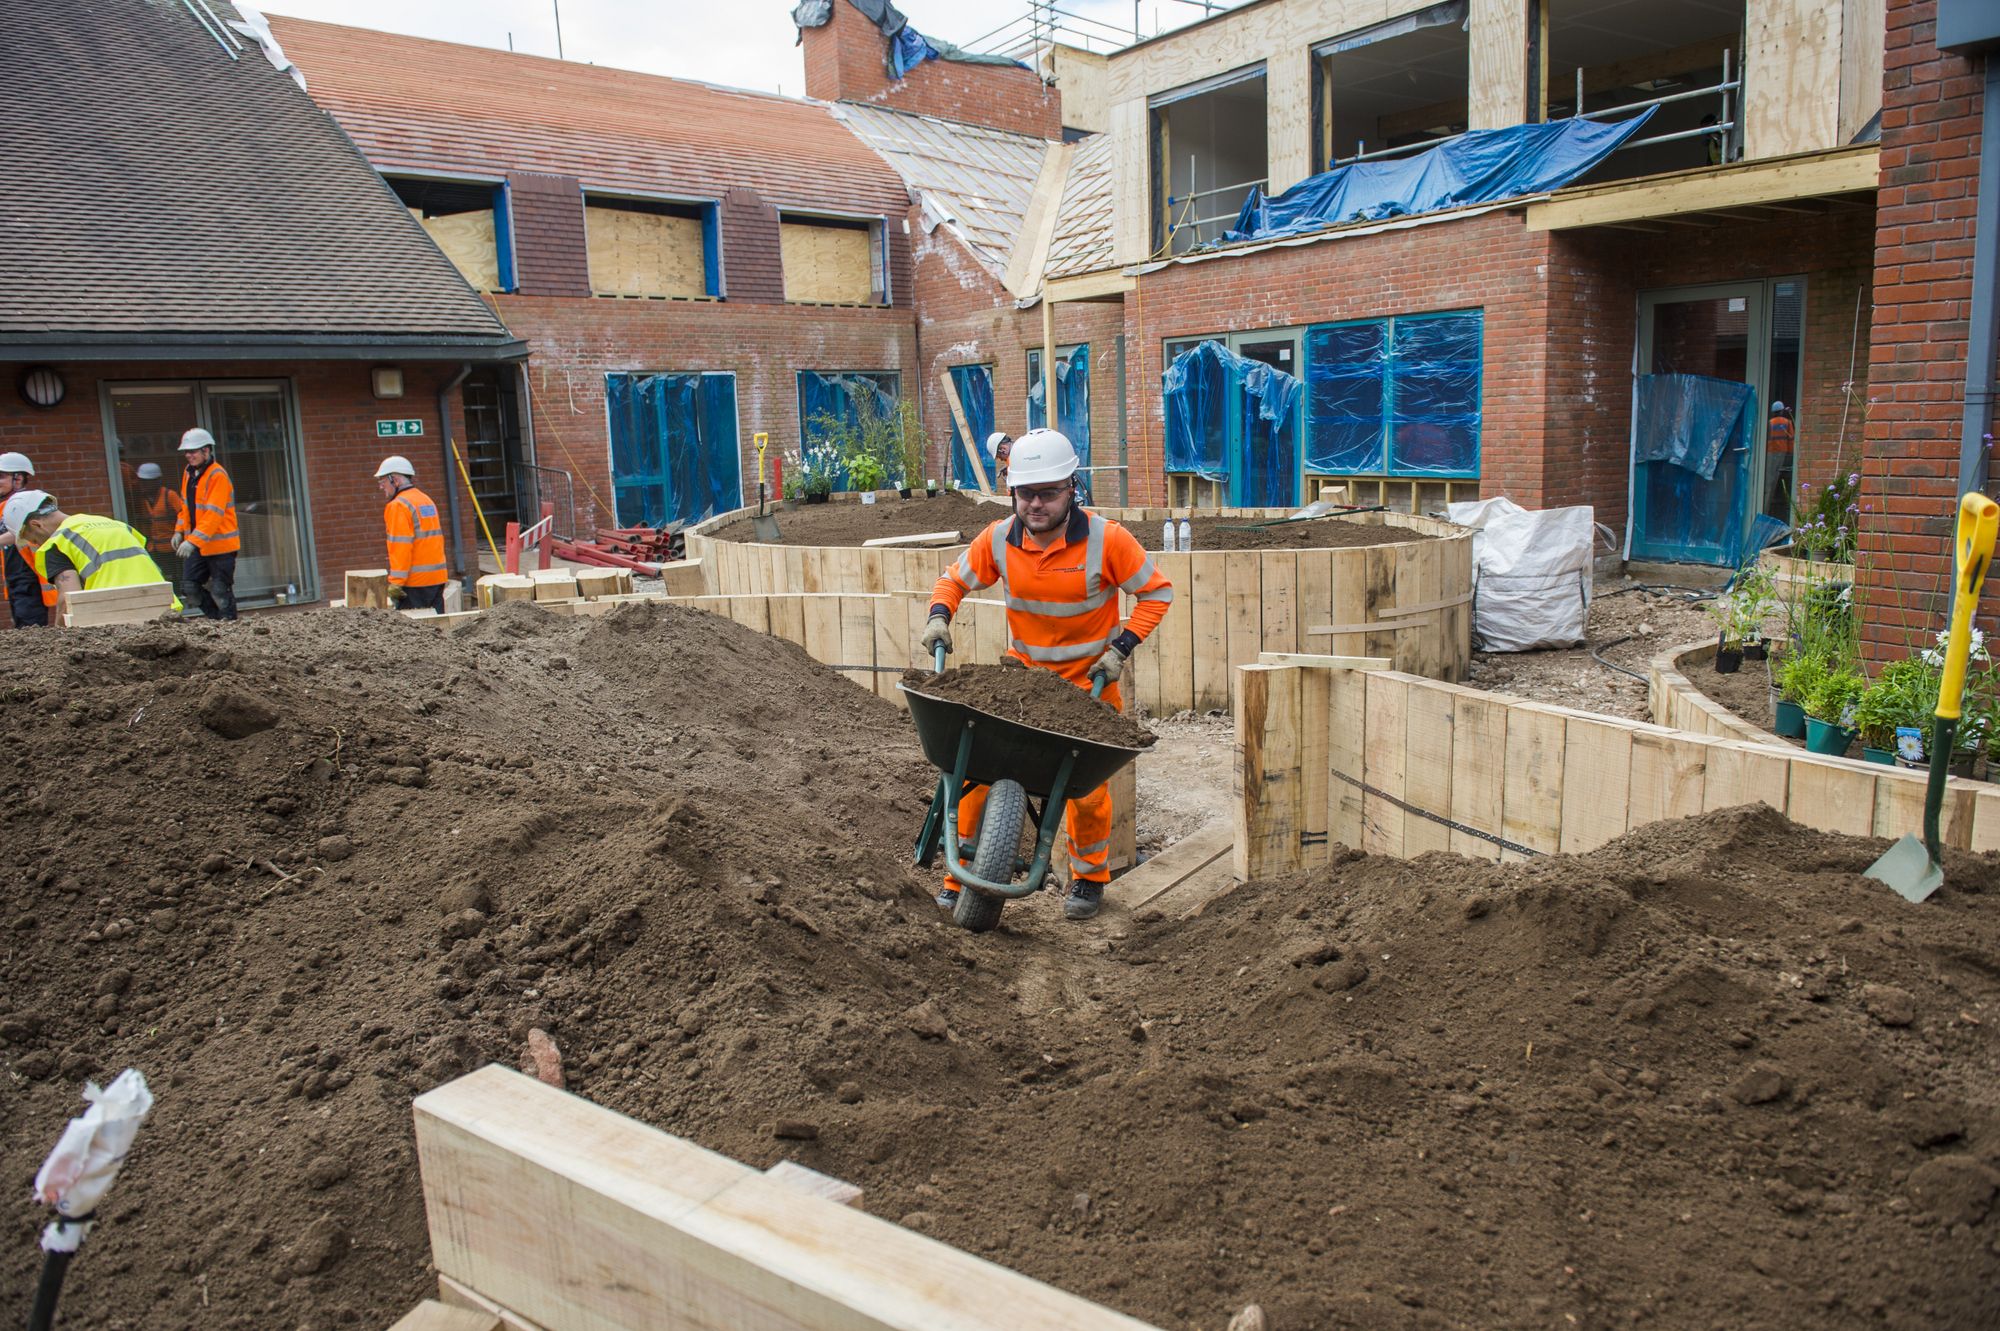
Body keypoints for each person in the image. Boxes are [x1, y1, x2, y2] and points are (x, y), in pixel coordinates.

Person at [920, 428, 1174, 921]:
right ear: (1013, 491)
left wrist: (1120, 649)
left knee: (1087, 793)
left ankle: (1088, 878)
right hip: (1023, 686)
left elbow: (1157, 593)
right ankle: (957, 879)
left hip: (1086, 688)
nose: (1035, 504)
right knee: (973, 776)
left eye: (1048, 493)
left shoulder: (1107, 540)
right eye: (1025, 493)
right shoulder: (998, 539)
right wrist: (938, 615)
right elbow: (953, 580)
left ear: (1071, 488)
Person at [2, 490, 180, 614]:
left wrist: (60, 643)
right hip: (166, 610)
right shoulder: (114, 524)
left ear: (36, 524)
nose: (34, 543)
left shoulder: (56, 544)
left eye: (31, 537)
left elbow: (68, 599)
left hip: (114, 617)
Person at [172, 427, 239, 620]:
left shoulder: (217, 475)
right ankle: (217, 621)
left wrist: (192, 541)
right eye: (186, 452)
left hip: (220, 546)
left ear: (206, 451)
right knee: (189, 587)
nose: (188, 455)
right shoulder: (189, 473)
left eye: (192, 451)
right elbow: (185, 506)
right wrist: (178, 531)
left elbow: (213, 514)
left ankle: (229, 624)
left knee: (220, 590)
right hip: (199, 545)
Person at [375, 455, 449, 614]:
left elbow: (400, 547)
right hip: (437, 579)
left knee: (414, 633)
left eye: (383, 482)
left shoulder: (398, 506)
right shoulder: (425, 500)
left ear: (395, 480)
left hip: (415, 584)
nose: (381, 487)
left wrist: (396, 582)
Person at [0, 451, 53, 628]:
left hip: (28, 578)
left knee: (30, 629)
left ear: (19, 478)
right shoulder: (5, 505)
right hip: (15, 578)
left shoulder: (26, 502)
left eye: (2, 476)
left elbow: (19, 531)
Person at [135, 462, 183, 557]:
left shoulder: (169, 495)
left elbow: (184, 515)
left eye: (148, 481)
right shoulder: (143, 499)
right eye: (143, 481)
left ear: (157, 481)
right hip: (153, 549)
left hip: (172, 548)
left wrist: (179, 533)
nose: (144, 485)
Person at [1765, 401, 1796, 518]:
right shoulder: (1788, 422)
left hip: (1770, 453)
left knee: (1769, 480)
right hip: (1783, 453)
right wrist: (1790, 455)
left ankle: (1766, 506)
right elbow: (1791, 440)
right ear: (1782, 411)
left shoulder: (1769, 423)